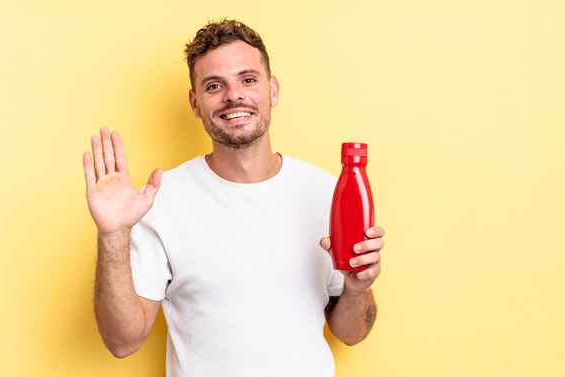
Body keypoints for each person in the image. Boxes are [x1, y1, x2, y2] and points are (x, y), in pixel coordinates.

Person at [82, 19, 385, 377]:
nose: (234, 95)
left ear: (272, 90)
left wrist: (356, 288)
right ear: (195, 103)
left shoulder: (325, 192)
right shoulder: (160, 201)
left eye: (248, 79)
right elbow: (122, 342)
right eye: (214, 85)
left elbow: (352, 333)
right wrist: (113, 236)